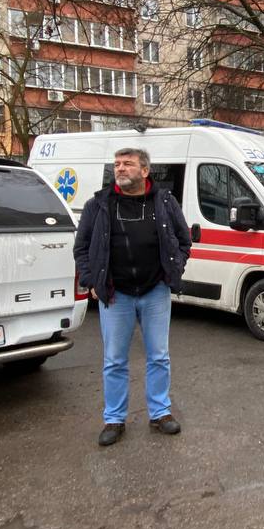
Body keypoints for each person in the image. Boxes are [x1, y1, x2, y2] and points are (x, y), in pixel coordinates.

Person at [74, 147, 193, 446]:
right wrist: (91, 281)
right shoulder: (98, 205)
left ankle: (160, 413)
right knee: (114, 360)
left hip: (155, 290)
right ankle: (114, 419)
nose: (120, 169)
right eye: (117, 164)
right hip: (115, 294)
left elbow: (183, 239)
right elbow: (82, 247)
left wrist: (174, 269)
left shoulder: (164, 201)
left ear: (144, 171)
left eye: (128, 164)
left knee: (159, 356)